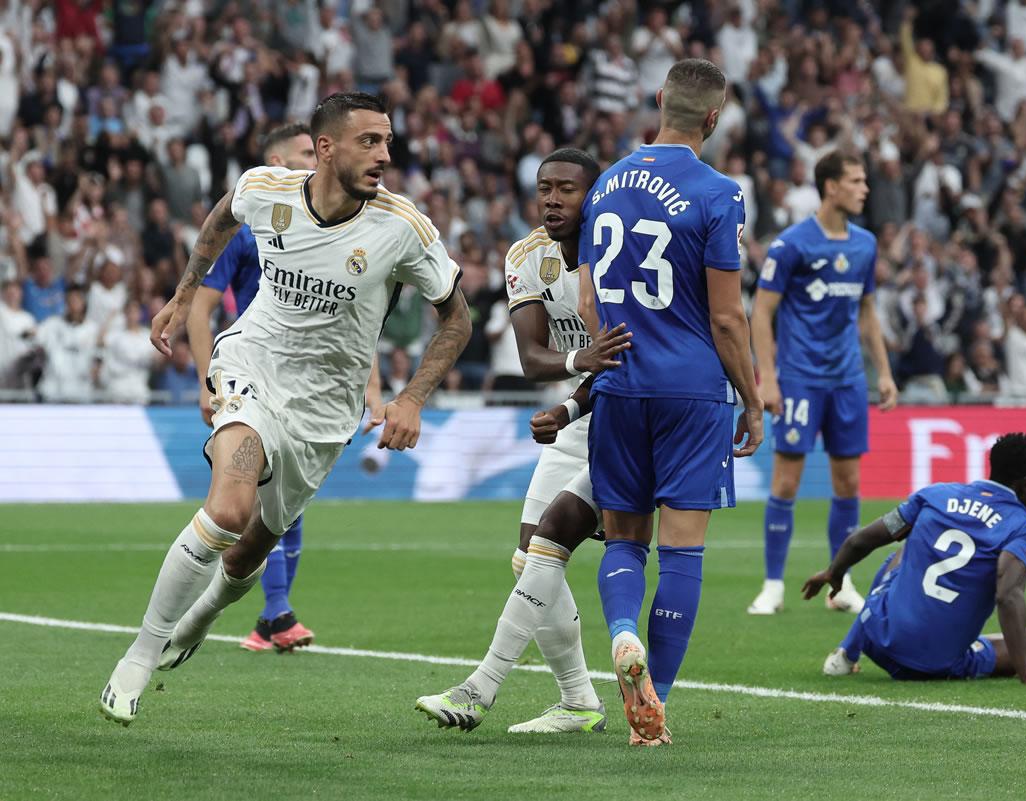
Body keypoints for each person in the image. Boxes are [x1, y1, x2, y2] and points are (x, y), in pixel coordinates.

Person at [99, 92, 472, 726]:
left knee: (247, 555)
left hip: (326, 413)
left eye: (387, 141)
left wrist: (411, 398)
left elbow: (458, 321)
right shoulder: (266, 189)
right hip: (251, 369)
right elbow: (221, 219)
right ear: (325, 148)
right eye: (368, 141)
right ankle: (140, 651)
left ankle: (203, 615)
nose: (384, 154)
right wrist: (182, 292)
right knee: (228, 509)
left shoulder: (403, 226)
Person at [578, 59, 763, 746]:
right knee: (683, 551)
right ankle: (652, 705)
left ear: (658, 101)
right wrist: (752, 396)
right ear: (713, 118)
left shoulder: (605, 183)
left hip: (620, 381)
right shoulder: (719, 193)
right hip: (690, 391)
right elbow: (726, 319)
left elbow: (587, 295)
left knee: (624, 540)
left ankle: (623, 633)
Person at [415, 149, 631, 735]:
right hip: (575, 416)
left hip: (622, 415)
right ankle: (580, 700)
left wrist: (573, 393)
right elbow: (532, 358)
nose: (553, 199)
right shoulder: (527, 255)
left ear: (595, 195)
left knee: (546, 551)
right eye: (544, 189)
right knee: (528, 555)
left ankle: (480, 688)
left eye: (567, 189)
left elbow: (629, 356)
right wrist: (574, 365)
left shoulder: (620, 252)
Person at [184, 122, 367, 654]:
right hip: (256, 380)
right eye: (306, 153)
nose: (316, 162)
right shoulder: (250, 226)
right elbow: (203, 306)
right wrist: (206, 382)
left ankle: (270, 614)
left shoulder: (339, 227)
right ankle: (270, 610)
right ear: (273, 161)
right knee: (248, 508)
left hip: (307, 389)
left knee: (285, 507)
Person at [746, 151, 897, 617]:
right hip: (800, 379)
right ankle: (773, 585)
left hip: (848, 379)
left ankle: (841, 581)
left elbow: (868, 312)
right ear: (831, 187)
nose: (864, 188)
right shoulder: (791, 245)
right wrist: (767, 378)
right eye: (856, 180)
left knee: (848, 483)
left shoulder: (865, 244)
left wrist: (885, 372)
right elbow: (761, 313)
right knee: (787, 481)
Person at [802, 433, 1026, 686]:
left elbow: (862, 540)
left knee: (907, 546)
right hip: (936, 665)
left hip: (878, 639)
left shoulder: (935, 495)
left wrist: (833, 572)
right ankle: (962, 646)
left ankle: (847, 652)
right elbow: (1007, 595)